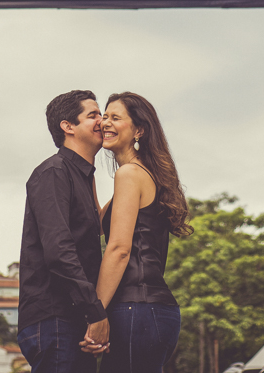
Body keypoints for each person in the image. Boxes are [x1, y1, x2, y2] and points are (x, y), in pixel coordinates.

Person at [85, 91, 193, 373]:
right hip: (152, 312)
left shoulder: (130, 175)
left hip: (137, 309)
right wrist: (87, 161)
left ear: (139, 130)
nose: (104, 122)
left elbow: (119, 249)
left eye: (115, 118)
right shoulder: (140, 173)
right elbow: (96, 225)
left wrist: (94, 311)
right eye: (103, 116)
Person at [17, 90, 110, 373]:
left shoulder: (83, 179)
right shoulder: (54, 172)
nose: (102, 121)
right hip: (55, 319)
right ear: (68, 127)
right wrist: (95, 312)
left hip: (72, 321)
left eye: (102, 114)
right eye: (92, 115)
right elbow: (59, 251)